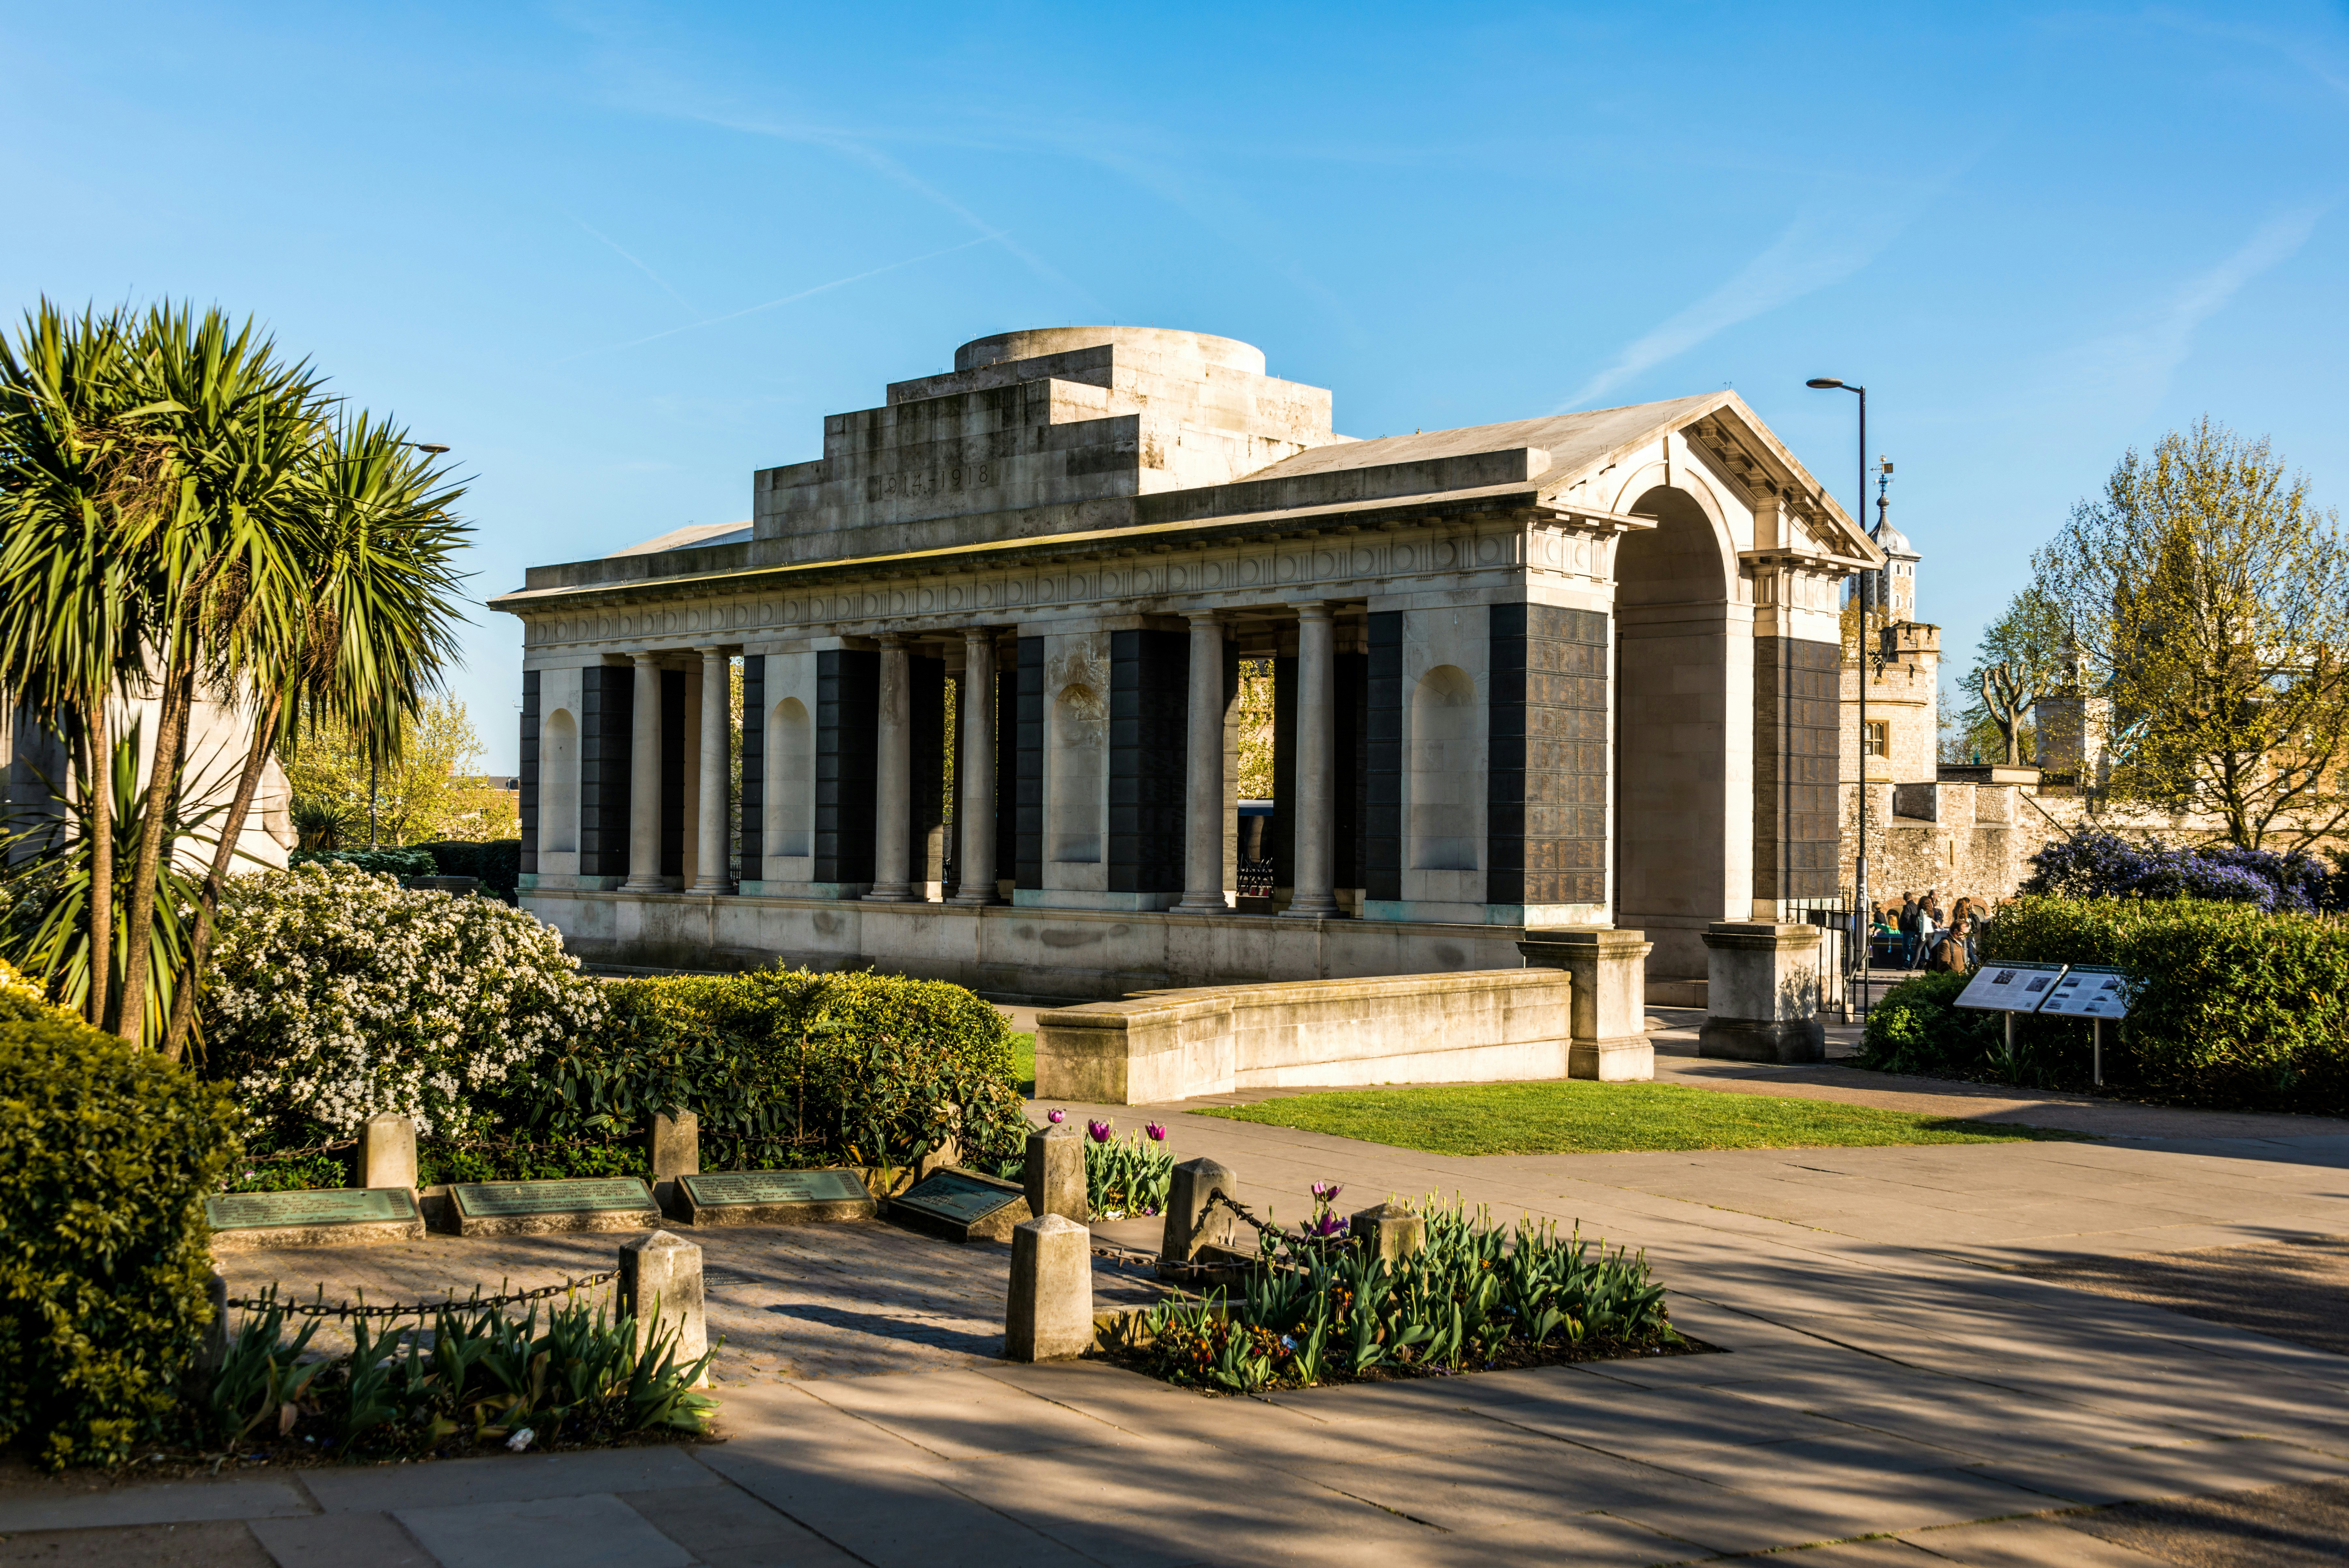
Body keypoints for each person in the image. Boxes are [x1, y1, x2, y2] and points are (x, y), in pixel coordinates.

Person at [1898, 893, 1925, 969]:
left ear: (1904, 899)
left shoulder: (1908, 907)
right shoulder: (1916, 906)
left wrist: (1903, 927)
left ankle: (1921, 959)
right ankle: (1907, 963)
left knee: (1905, 947)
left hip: (1909, 929)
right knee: (1908, 946)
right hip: (1915, 929)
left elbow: (1907, 918)